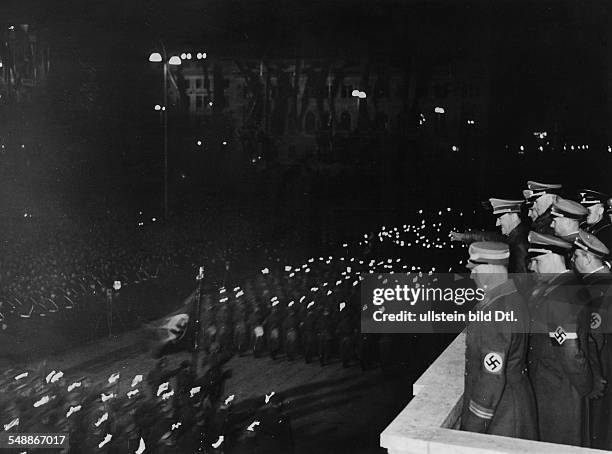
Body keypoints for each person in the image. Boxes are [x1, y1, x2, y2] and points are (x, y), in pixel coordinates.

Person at [460, 242, 537, 439]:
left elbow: (491, 376)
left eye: (475, 269)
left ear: (490, 269)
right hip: (512, 404)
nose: (471, 275)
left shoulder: (496, 311)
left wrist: (474, 425)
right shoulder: (512, 298)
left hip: (501, 416)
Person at [526, 231, 593, 446]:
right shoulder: (561, 286)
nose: (531, 267)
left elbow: (570, 352)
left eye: (536, 261)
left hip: (558, 392)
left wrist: (584, 387)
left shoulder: (561, 296)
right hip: (556, 386)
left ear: (552, 256)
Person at [572, 231, 612, 449]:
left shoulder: (593, 290)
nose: (573, 261)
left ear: (587, 258)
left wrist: (593, 377)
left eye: (576, 256)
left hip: (603, 369)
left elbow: (594, 338)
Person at [450, 198, 529, 273]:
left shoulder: (519, 244)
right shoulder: (514, 237)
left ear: (513, 216)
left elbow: (522, 280)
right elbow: (491, 238)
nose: (497, 223)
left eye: (500, 218)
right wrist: (465, 236)